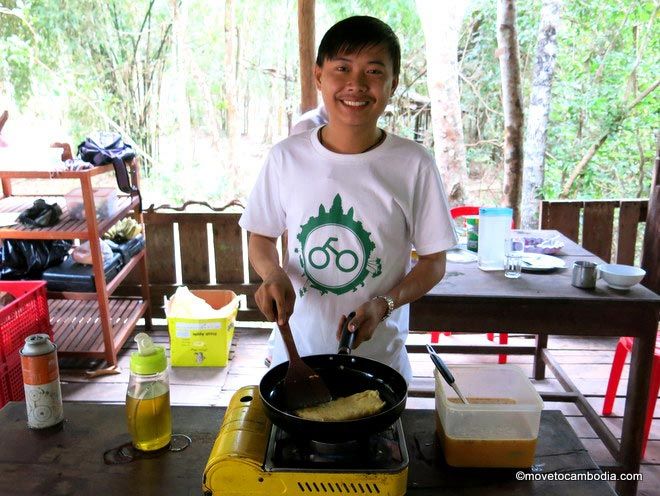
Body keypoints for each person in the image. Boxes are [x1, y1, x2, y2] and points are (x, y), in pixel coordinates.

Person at [239, 15, 456, 383]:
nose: (356, 84)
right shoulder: (286, 158)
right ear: (319, 76)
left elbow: (434, 261)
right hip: (295, 359)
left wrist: (384, 304)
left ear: (392, 84)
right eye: (342, 68)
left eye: (373, 72)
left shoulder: (413, 164)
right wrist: (273, 273)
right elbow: (260, 236)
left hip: (379, 363)